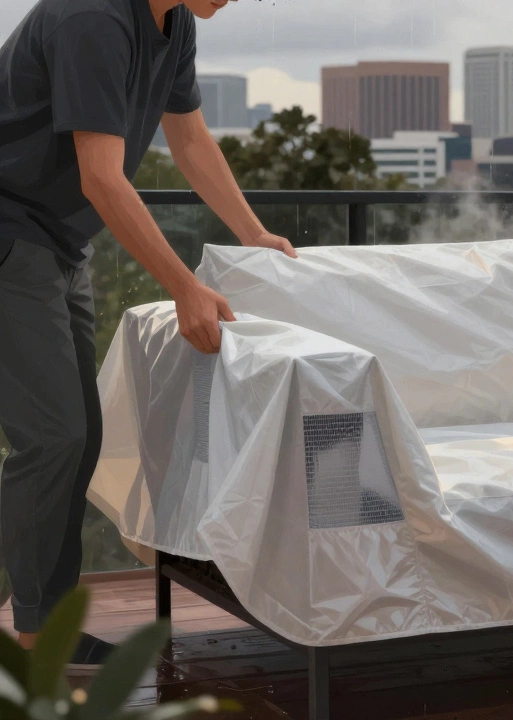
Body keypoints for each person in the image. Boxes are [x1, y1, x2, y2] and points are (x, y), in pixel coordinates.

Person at [0, 0, 296, 669]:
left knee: (78, 439)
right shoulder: (92, 18)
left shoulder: (175, 24)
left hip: (56, 245)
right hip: (11, 234)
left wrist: (251, 233)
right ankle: (32, 639)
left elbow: (188, 140)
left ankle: (41, 633)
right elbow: (102, 177)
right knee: (53, 437)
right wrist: (183, 287)